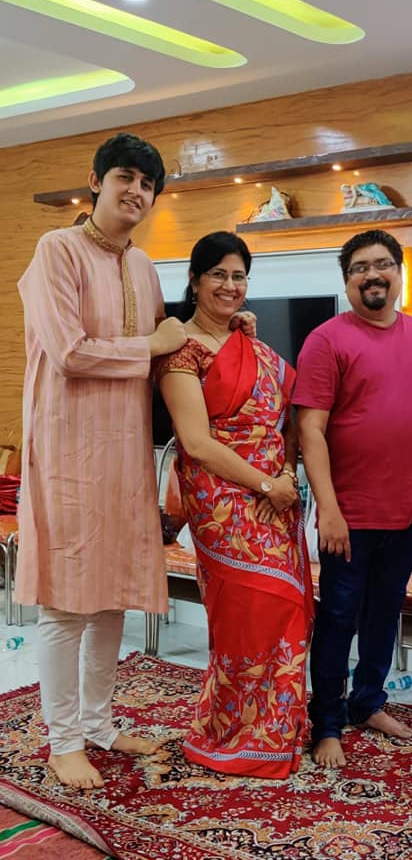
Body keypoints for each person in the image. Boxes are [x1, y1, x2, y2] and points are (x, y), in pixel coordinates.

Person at [16, 133, 189, 790]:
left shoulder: (143, 267)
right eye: (125, 177)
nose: (136, 192)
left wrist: (221, 335)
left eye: (148, 184)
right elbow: (69, 351)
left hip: (125, 452)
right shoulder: (56, 249)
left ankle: (97, 723)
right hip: (67, 448)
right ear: (96, 182)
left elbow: (166, 351)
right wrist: (153, 344)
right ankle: (63, 741)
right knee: (66, 603)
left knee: (112, 596)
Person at [293, 229, 412, 768]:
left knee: (386, 613)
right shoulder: (327, 340)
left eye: (382, 264)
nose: (373, 274)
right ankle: (327, 723)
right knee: (339, 617)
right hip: (348, 515)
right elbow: (310, 429)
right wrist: (328, 509)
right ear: (347, 281)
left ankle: (368, 702)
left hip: (408, 510)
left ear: (398, 273)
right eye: (360, 267)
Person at [156, 231, 314, 779]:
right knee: (248, 613)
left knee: (287, 609)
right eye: (218, 274)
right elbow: (196, 443)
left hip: (277, 495)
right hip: (221, 500)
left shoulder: (256, 347)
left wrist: (287, 476)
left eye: (239, 275)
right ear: (195, 280)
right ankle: (231, 732)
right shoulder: (181, 351)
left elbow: (289, 420)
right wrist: (267, 486)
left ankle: (275, 730)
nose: (229, 285)